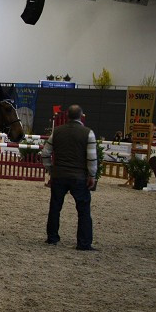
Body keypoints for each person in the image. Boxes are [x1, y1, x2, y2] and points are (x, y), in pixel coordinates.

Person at [41, 104, 98, 251]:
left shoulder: (57, 132)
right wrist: (92, 175)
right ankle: (83, 243)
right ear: (81, 116)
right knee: (83, 210)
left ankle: (52, 237)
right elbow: (92, 158)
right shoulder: (88, 133)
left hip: (59, 175)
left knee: (55, 207)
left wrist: (50, 169)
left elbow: (45, 153)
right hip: (79, 176)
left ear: (67, 116)